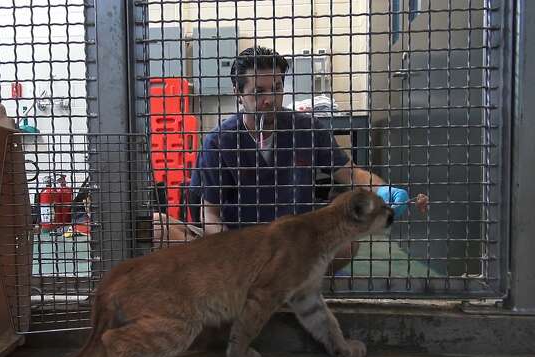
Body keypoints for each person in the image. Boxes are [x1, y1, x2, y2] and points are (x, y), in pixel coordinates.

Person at [153, 46, 428, 269]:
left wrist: (383, 191)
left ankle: (289, 286)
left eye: (276, 87)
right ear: (238, 93)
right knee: (156, 227)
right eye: (258, 92)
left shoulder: (306, 129)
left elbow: (350, 172)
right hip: (237, 245)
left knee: (346, 244)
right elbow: (209, 213)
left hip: (294, 245)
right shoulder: (220, 141)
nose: (270, 99)